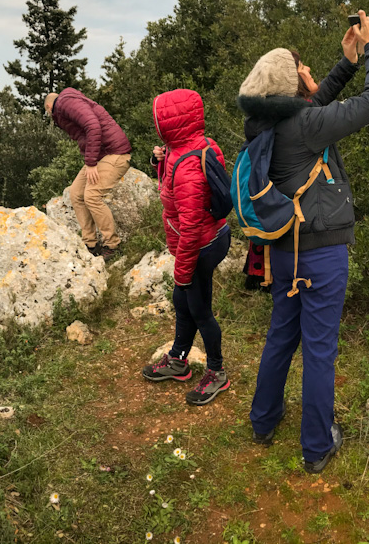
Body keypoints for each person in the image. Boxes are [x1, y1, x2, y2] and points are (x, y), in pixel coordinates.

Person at [240, 11, 369, 474]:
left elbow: (312, 107)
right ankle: (316, 446)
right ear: (290, 92)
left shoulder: (264, 128)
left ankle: (263, 422)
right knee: (320, 349)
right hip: (322, 254)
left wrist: (342, 65)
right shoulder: (306, 128)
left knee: (282, 337)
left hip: (285, 251)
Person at [139, 89, 232, 406]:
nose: (156, 125)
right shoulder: (194, 146)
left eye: (159, 119)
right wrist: (159, 162)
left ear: (171, 123)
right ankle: (178, 360)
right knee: (183, 300)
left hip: (201, 244)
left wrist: (182, 270)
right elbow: (172, 190)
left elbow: (191, 225)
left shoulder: (187, 162)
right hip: (210, 236)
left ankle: (217, 373)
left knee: (199, 309)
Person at [44, 87, 133, 259]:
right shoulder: (67, 103)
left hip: (114, 153)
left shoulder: (64, 103)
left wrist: (90, 163)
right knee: (75, 193)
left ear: (49, 106)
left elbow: (93, 126)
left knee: (91, 195)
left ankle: (113, 245)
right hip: (101, 156)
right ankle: (90, 244)